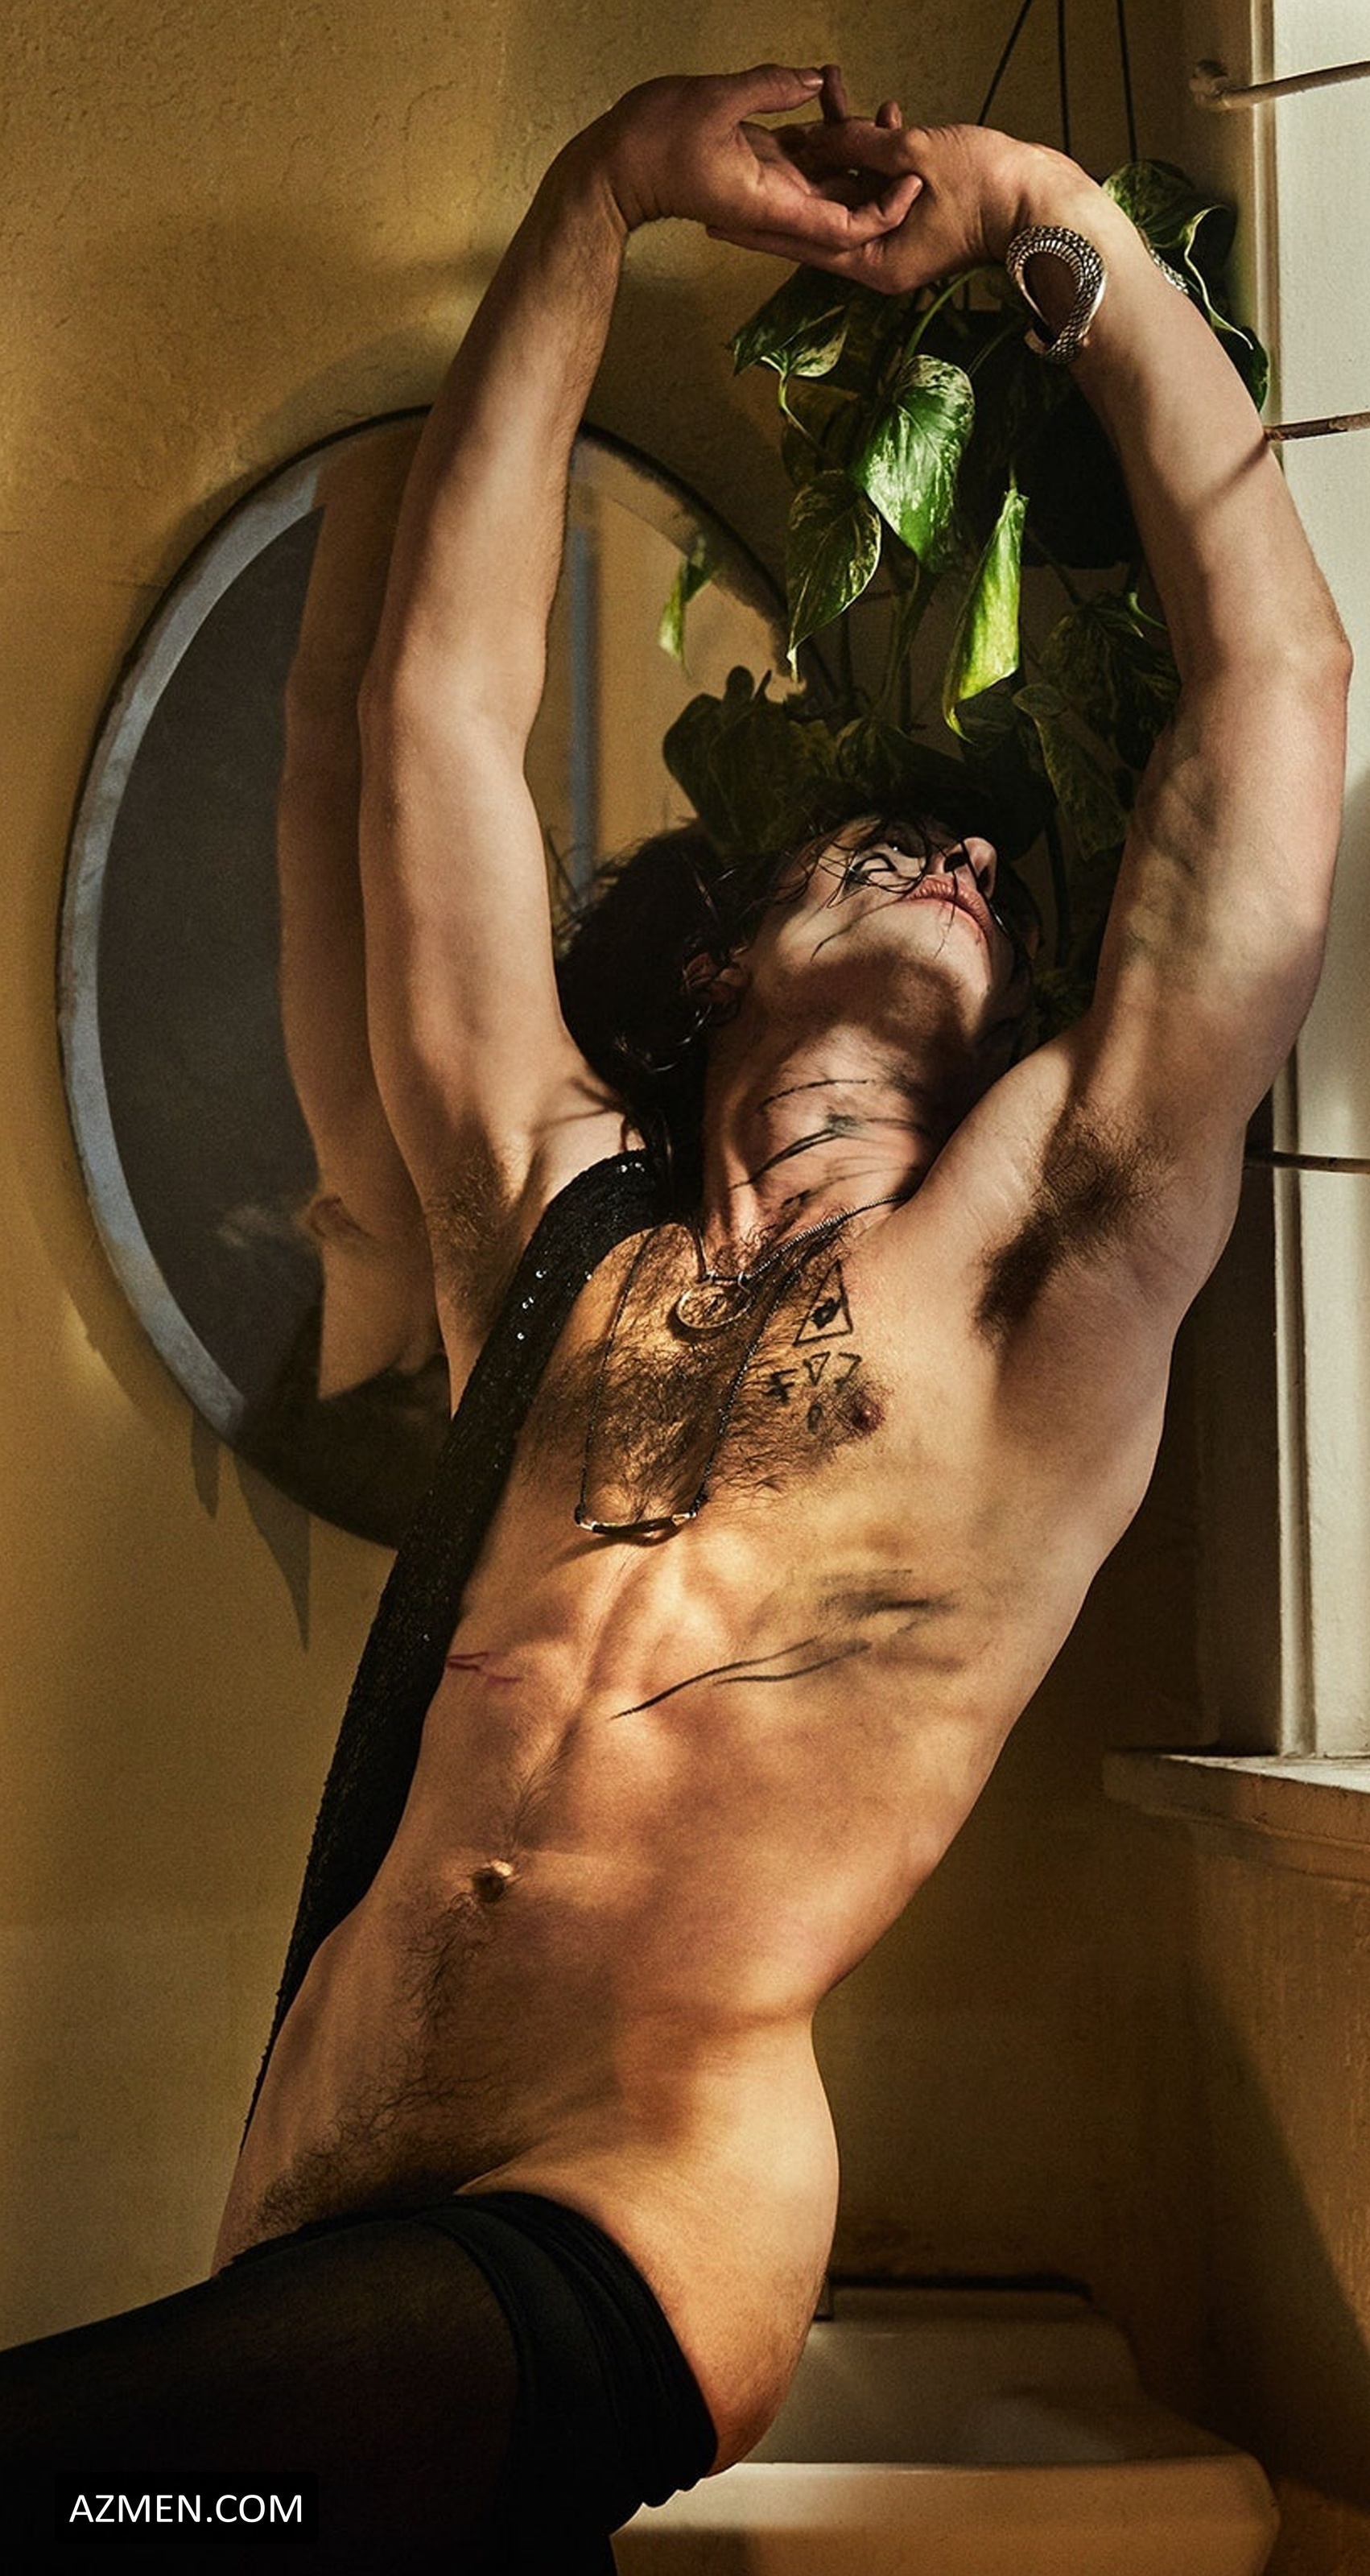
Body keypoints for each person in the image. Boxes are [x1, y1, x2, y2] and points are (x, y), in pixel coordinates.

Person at [0, 60, 1348, 2576]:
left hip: (623, 2227)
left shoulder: (1038, 1272)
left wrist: (1045, 217)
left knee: (56, 2481)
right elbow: (428, 717)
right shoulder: (554, 1223)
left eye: (993, 876)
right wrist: (602, 189)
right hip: (313, 2197)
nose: (963, 863)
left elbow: (1279, 706)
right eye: (892, 841)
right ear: (721, 960)